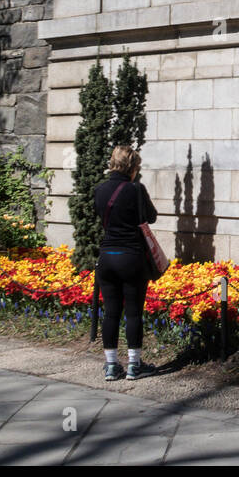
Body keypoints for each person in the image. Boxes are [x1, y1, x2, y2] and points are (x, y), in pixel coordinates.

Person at [93, 145, 159, 381]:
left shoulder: (99, 190)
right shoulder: (136, 189)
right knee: (133, 313)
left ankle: (111, 365)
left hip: (107, 257)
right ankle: (134, 365)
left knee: (110, 313)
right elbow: (150, 217)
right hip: (131, 256)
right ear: (132, 167)